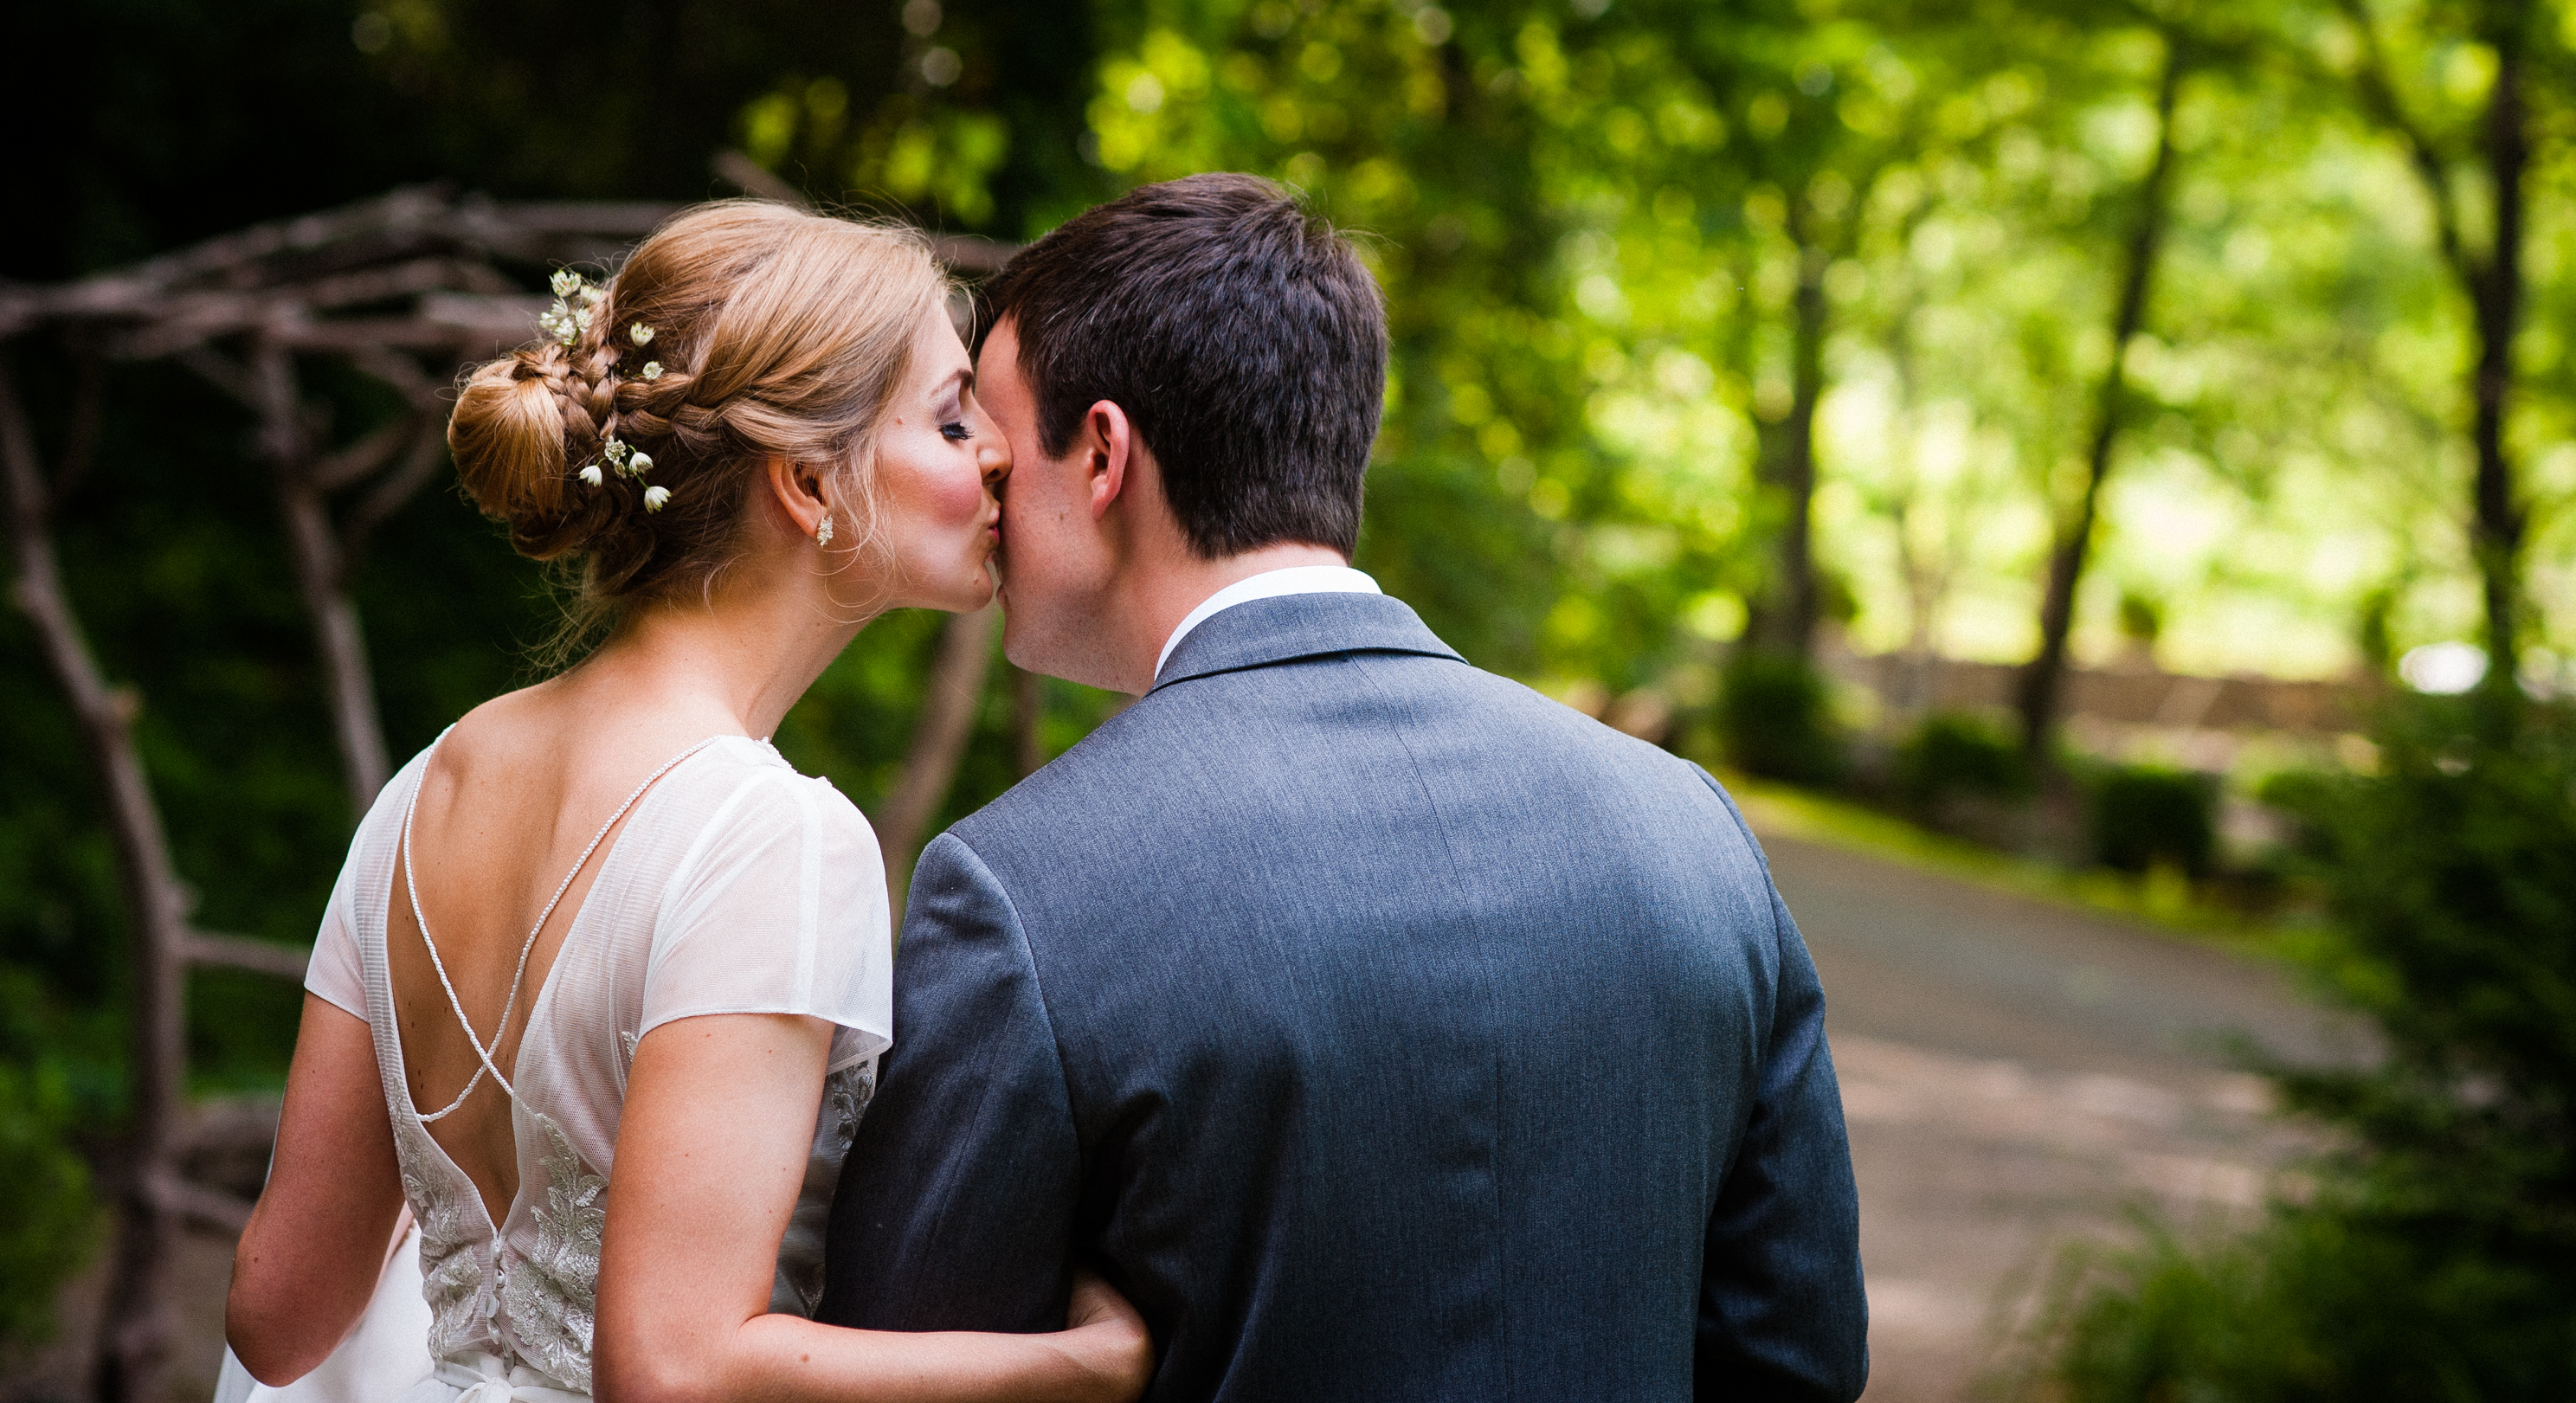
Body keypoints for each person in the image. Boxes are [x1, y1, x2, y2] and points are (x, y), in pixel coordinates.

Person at [819, 174, 1871, 1400]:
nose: (987, 502)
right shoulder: (1694, 836)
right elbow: (1798, 1363)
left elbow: (901, 1367)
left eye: (1000, 454)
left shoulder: (1024, 892)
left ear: (1102, 455)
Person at [222, 203, 1153, 1403]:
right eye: (951, 414)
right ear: (812, 481)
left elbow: (276, 1316)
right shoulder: (769, 840)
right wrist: (1079, 1370)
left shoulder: (424, 792)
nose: (996, 456)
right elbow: (672, 1372)